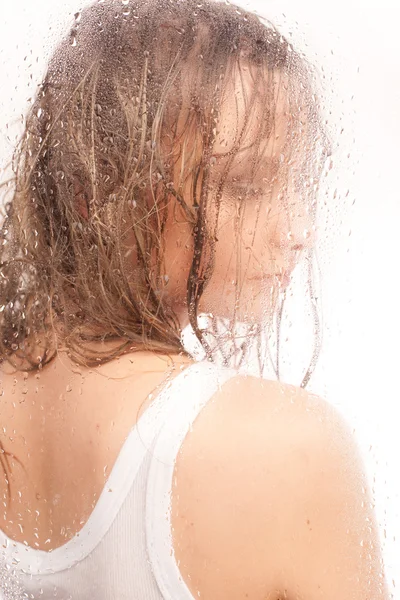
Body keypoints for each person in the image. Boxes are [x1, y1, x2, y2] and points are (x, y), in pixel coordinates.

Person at [0, 0, 389, 598]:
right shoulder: (288, 450)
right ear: (98, 190)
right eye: (247, 186)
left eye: (294, 181)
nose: (296, 232)